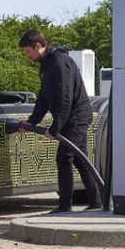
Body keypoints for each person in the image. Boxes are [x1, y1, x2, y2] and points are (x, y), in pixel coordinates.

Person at [18, 29, 102, 213]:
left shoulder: (58, 61)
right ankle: (96, 202)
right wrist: (32, 121)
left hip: (77, 117)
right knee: (80, 160)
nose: (27, 55)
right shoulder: (46, 64)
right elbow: (44, 97)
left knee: (64, 158)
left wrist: (56, 128)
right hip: (71, 118)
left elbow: (65, 97)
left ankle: (65, 207)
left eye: (28, 51)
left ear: (38, 46)